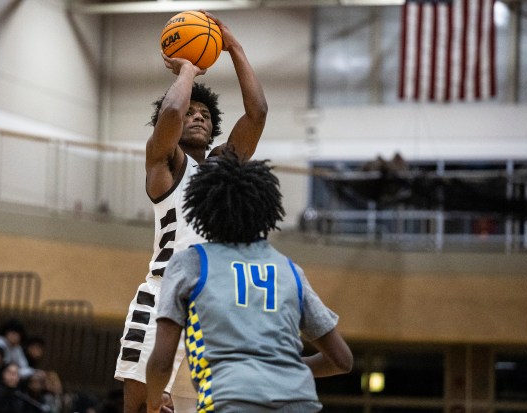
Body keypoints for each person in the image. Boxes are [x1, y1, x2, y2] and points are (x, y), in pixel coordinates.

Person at [114, 9, 268, 413]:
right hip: (162, 294)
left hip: (212, 307)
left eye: (206, 116)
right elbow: (169, 114)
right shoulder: (163, 165)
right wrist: (187, 71)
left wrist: (233, 47)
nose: (198, 117)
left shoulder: (218, 167)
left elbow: (257, 114)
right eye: (192, 113)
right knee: (139, 407)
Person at [145, 151, 353, 413]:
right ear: (265, 209)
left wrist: (153, 403)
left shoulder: (190, 264)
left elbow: (162, 362)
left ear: (200, 209)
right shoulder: (289, 270)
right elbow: (342, 360)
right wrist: (282, 369)